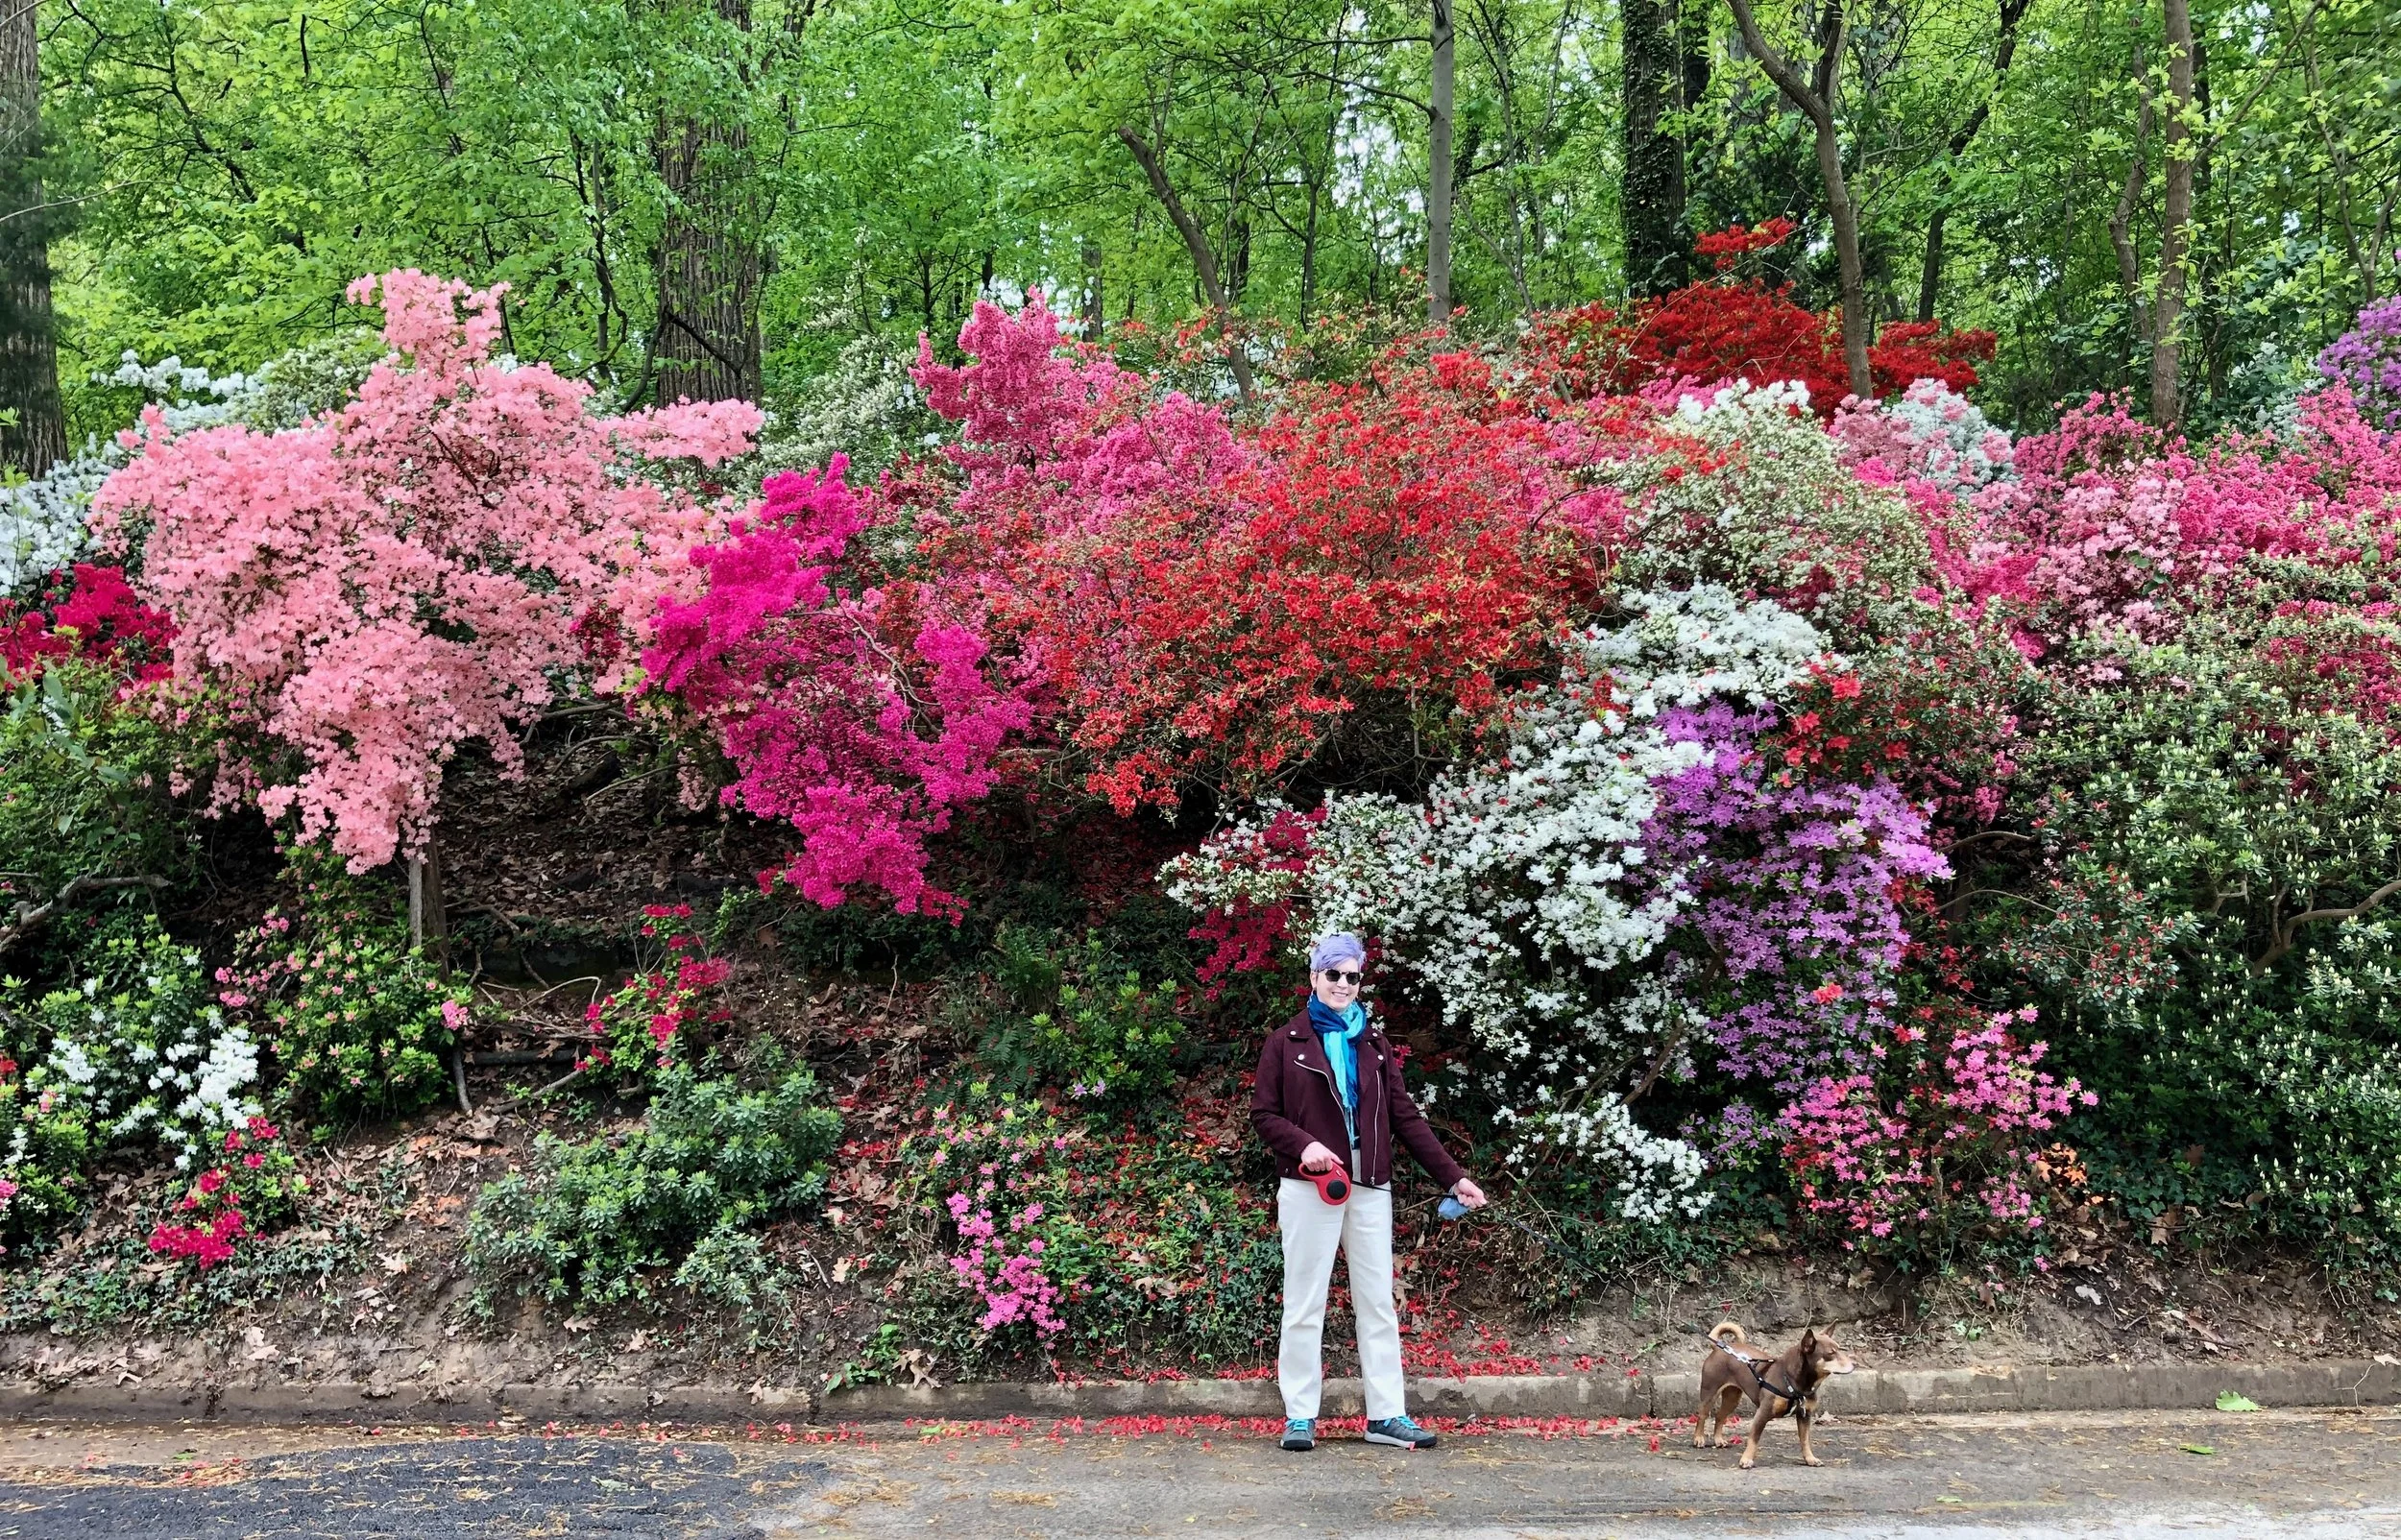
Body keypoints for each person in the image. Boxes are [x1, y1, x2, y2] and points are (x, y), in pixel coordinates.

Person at [1250, 931, 1487, 1453]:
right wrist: (1305, 1145)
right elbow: (1264, 1116)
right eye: (1332, 973)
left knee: (1378, 1303)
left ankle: (1385, 1416)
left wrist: (1453, 1177)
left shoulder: (1374, 1046)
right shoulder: (1284, 1042)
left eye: (1352, 976)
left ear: (1361, 982)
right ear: (1314, 978)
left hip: (1371, 1188)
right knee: (1304, 1303)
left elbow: (1405, 1118)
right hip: (1310, 1188)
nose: (1342, 983)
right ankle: (1300, 1416)